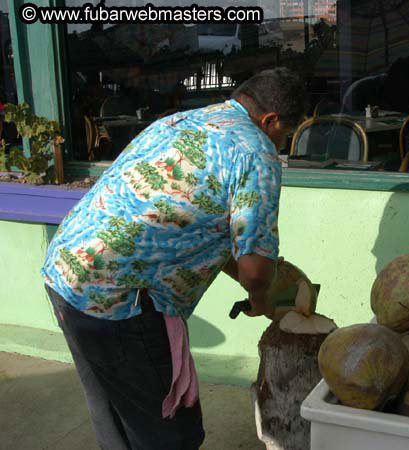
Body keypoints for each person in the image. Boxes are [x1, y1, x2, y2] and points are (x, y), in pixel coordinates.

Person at [41, 67, 308, 450]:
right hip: (120, 301)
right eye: (285, 133)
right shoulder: (255, 151)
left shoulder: (182, 119)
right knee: (169, 435)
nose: (281, 143)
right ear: (272, 120)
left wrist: (254, 284)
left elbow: (203, 230)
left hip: (67, 273)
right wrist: (262, 300)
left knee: (114, 414)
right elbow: (254, 268)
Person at [341, 57, 409, 114]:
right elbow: (348, 123)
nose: (406, 94)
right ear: (390, 78)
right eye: (401, 88)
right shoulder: (361, 90)